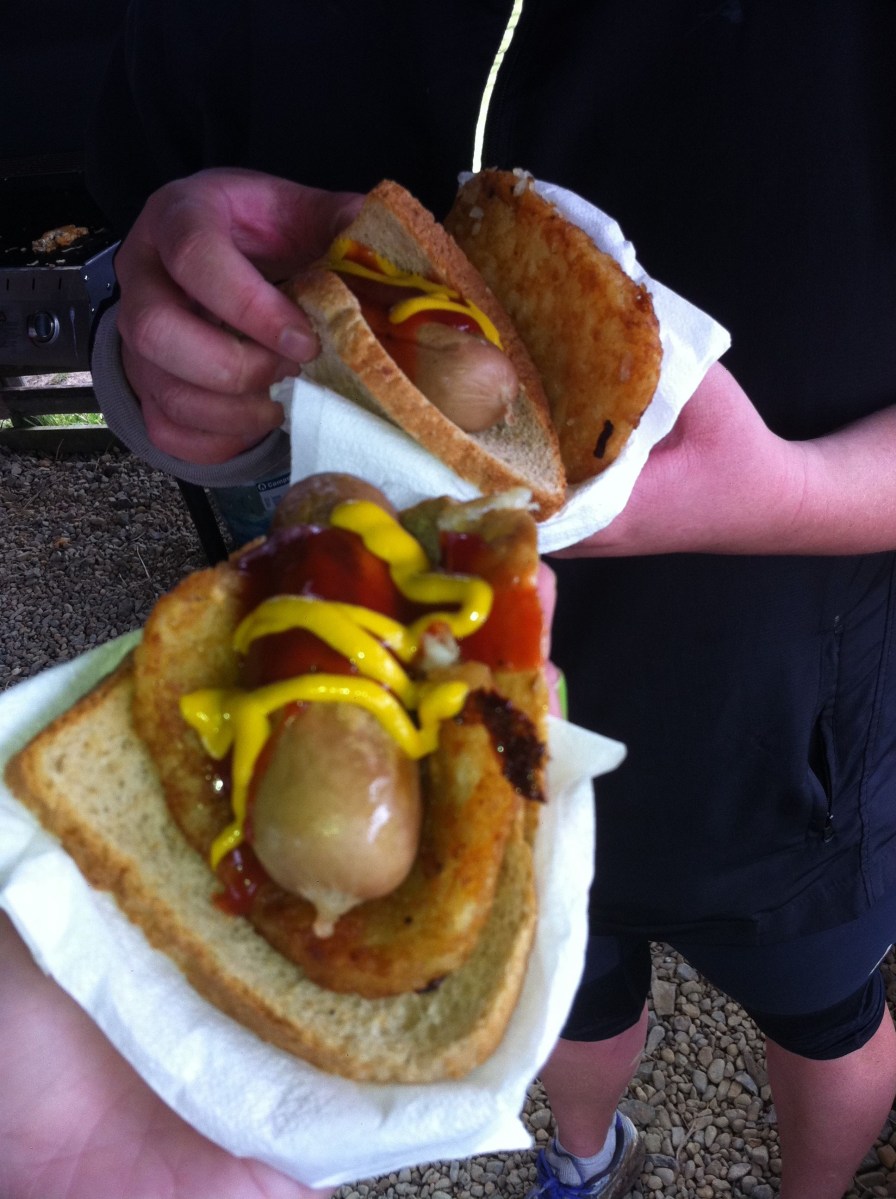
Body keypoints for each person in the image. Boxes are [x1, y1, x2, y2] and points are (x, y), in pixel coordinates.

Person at [6, 3, 896, 1197]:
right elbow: (169, 300)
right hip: (453, 737)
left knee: (823, 1017)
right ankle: (582, 1157)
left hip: (784, 748)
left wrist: (790, 492)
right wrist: (166, 371)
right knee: (575, 989)